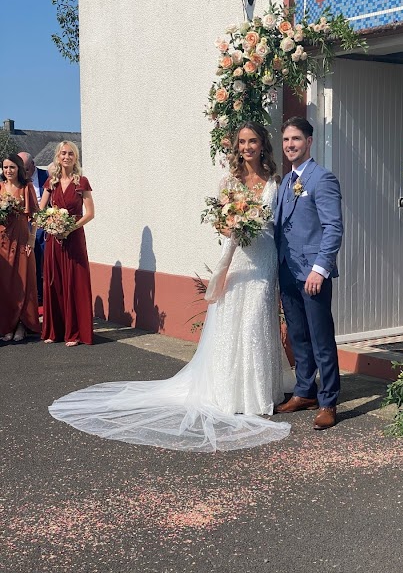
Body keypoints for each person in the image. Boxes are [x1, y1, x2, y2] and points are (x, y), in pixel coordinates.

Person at [48, 121, 292, 452]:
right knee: (234, 319)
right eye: (242, 142)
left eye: (252, 141)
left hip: (263, 259)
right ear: (237, 147)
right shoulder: (229, 183)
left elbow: (277, 223)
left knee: (257, 319)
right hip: (237, 258)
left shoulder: (275, 182)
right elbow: (222, 225)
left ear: (263, 144)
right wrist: (232, 223)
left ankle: (261, 392)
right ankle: (231, 391)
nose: (247, 147)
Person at [274, 116, 343, 430]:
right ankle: (305, 391)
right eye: (287, 140)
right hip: (288, 271)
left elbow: (333, 228)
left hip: (313, 274)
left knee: (320, 338)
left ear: (309, 141)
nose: (290, 145)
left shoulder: (322, 178)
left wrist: (320, 269)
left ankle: (328, 401)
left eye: (296, 139)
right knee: (299, 336)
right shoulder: (286, 182)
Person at [39, 140, 95, 346]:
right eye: (63, 153)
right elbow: (41, 210)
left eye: (71, 154)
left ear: (76, 157)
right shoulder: (50, 182)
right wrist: (51, 224)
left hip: (74, 238)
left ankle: (76, 333)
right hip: (55, 239)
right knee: (56, 282)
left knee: (76, 282)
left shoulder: (82, 182)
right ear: (58, 156)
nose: (66, 157)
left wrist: (69, 228)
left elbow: (90, 213)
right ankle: (56, 331)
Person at [0, 154, 40, 341]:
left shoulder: (27, 188)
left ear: (19, 169)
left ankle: (23, 325)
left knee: (24, 281)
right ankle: (7, 325)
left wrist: (32, 239)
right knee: (6, 284)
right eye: (5, 167)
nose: (8, 171)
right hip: (2, 241)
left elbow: (36, 216)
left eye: (12, 167)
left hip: (23, 239)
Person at [18, 152, 49, 305]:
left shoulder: (47, 176)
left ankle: (48, 294)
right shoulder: (17, 179)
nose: (24, 173)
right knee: (31, 259)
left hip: (44, 223)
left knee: (46, 258)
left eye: (26, 169)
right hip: (25, 223)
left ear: (33, 164)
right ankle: (36, 296)